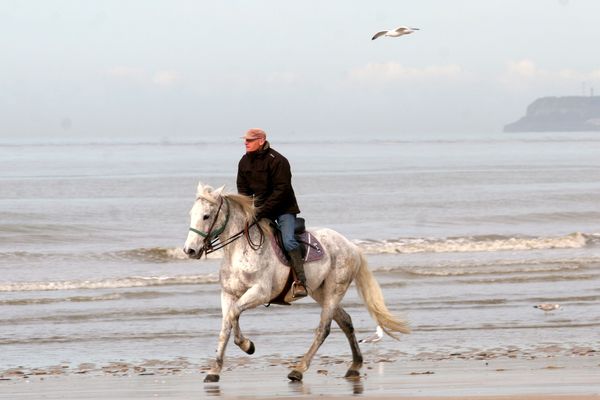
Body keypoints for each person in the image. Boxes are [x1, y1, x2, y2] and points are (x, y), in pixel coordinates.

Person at [236, 128, 307, 298]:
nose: (246, 143)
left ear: (261, 140)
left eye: (250, 140)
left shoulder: (278, 161)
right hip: (261, 211)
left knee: (288, 241)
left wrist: (260, 211)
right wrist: (248, 210)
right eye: (245, 140)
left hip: (284, 209)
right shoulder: (244, 161)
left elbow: (281, 191)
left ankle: (300, 282)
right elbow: (243, 190)